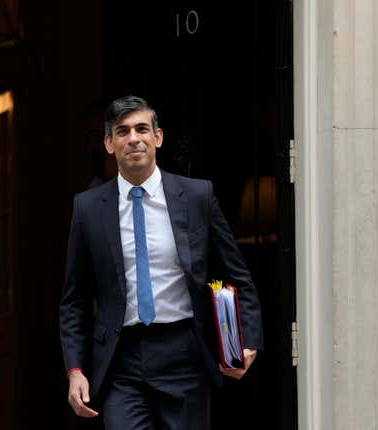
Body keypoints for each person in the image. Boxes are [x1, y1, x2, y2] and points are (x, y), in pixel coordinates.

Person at [59, 95, 264, 429]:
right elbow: (74, 300)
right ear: (109, 144)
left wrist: (248, 340)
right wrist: (75, 370)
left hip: (185, 352)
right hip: (120, 359)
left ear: (158, 137)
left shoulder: (197, 196)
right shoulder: (87, 208)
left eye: (142, 128)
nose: (134, 138)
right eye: (122, 132)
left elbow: (235, 272)